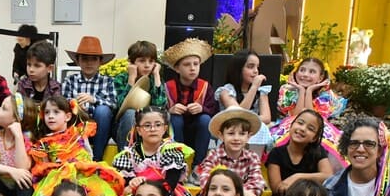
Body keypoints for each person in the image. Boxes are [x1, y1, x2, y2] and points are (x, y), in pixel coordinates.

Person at [24, 96, 125, 196]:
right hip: (58, 177)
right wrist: (61, 167)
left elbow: (89, 154)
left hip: (85, 174)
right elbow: (43, 166)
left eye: (56, 112)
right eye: (47, 113)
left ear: (67, 116)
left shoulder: (79, 133)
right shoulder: (43, 143)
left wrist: (82, 165)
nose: (50, 116)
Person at [112, 106, 196, 196]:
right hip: (138, 195)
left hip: (166, 193)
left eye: (158, 125)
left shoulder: (171, 151)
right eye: (147, 125)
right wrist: (132, 182)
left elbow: (170, 183)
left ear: (165, 128)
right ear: (139, 130)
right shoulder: (129, 155)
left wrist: (151, 191)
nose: (153, 129)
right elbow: (125, 182)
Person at [270, 57, 347, 169]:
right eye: (302, 70)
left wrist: (309, 91)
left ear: (320, 77)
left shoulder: (326, 95)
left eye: (312, 72)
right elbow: (295, 117)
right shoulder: (287, 90)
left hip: (316, 126)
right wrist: (301, 91)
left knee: (322, 133)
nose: (305, 75)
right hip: (290, 124)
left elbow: (314, 119)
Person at [262, 109, 332, 196]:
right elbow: (277, 188)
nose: (303, 129)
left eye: (310, 128)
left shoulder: (318, 152)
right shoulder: (277, 153)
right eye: (300, 123)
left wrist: (297, 177)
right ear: (291, 125)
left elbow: (328, 176)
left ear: (314, 138)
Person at [197, 106, 266, 196]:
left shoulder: (252, 157)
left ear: (248, 136)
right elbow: (205, 180)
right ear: (221, 136)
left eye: (242, 134)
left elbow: (258, 182)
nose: (236, 138)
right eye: (231, 133)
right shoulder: (214, 155)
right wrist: (234, 191)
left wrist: (240, 194)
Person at [162, 38, 217, 167]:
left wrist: (202, 109)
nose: (192, 68)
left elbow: (214, 111)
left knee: (205, 119)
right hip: (175, 132)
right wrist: (169, 110)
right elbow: (158, 111)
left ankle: (199, 164)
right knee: (175, 118)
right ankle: (179, 162)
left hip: (197, 132)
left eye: (196, 64)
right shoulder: (168, 87)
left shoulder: (205, 86)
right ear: (177, 68)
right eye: (187, 65)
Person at [62, 36, 117, 161]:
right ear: (78, 61)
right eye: (85, 59)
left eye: (94, 59)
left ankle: (96, 159)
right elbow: (63, 102)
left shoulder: (108, 81)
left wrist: (94, 100)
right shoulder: (70, 80)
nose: (89, 63)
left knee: (103, 110)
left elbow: (114, 104)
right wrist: (76, 105)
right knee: (68, 110)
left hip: (100, 128)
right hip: (77, 125)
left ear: (100, 62)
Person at [215, 49, 274, 148]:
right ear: (238, 69)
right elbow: (239, 115)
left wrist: (250, 121)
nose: (255, 71)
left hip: (253, 131)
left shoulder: (262, 91)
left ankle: (255, 157)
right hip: (232, 132)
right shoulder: (226, 91)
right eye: (250, 67)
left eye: (257, 67)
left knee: (262, 127)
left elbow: (266, 118)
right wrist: (254, 87)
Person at [114, 40, 167, 147]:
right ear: (131, 62)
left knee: (166, 116)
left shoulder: (154, 79)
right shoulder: (121, 79)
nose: (147, 65)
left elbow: (160, 106)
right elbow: (120, 106)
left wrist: (156, 75)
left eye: (151, 61)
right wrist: (131, 79)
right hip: (123, 126)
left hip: (148, 125)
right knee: (130, 113)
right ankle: (125, 154)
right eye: (142, 61)